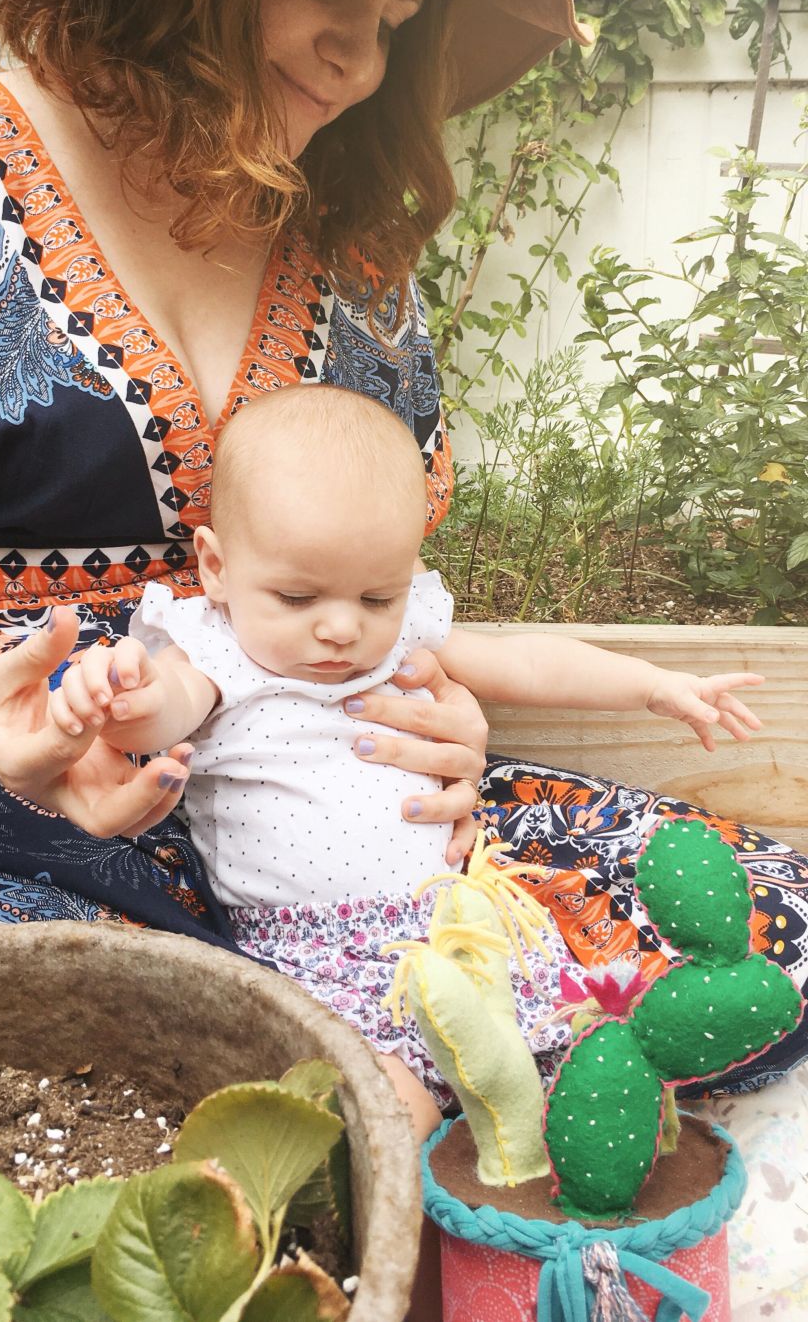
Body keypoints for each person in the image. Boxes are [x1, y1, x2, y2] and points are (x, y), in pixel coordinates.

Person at [0, 0, 804, 1092]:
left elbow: (374, 590)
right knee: (88, 1097)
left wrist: (446, 723)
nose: (361, 58)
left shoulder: (355, 263)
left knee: (762, 931)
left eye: (392, 16)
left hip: (326, 811)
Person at [46, 383, 769, 1144]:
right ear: (217, 567)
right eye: (296, 597)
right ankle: (420, 1238)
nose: (340, 627)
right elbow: (169, 709)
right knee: (385, 1114)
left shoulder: (400, 634)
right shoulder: (216, 648)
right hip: (311, 953)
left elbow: (525, 665)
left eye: (377, 596)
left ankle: (567, 1219)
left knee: (564, 1085)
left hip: (455, 929)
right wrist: (121, 699)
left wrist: (654, 687)